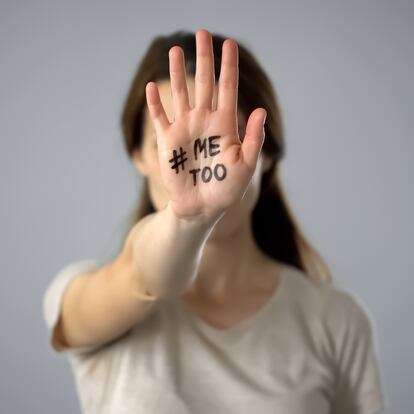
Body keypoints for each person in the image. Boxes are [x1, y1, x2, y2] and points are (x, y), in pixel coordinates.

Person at [42, 29, 385, 414]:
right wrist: (190, 218)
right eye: (169, 145)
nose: (199, 165)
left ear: (267, 153)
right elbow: (144, 277)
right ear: (137, 155)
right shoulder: (82, 298)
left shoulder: (337, 321)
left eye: (223, 141)